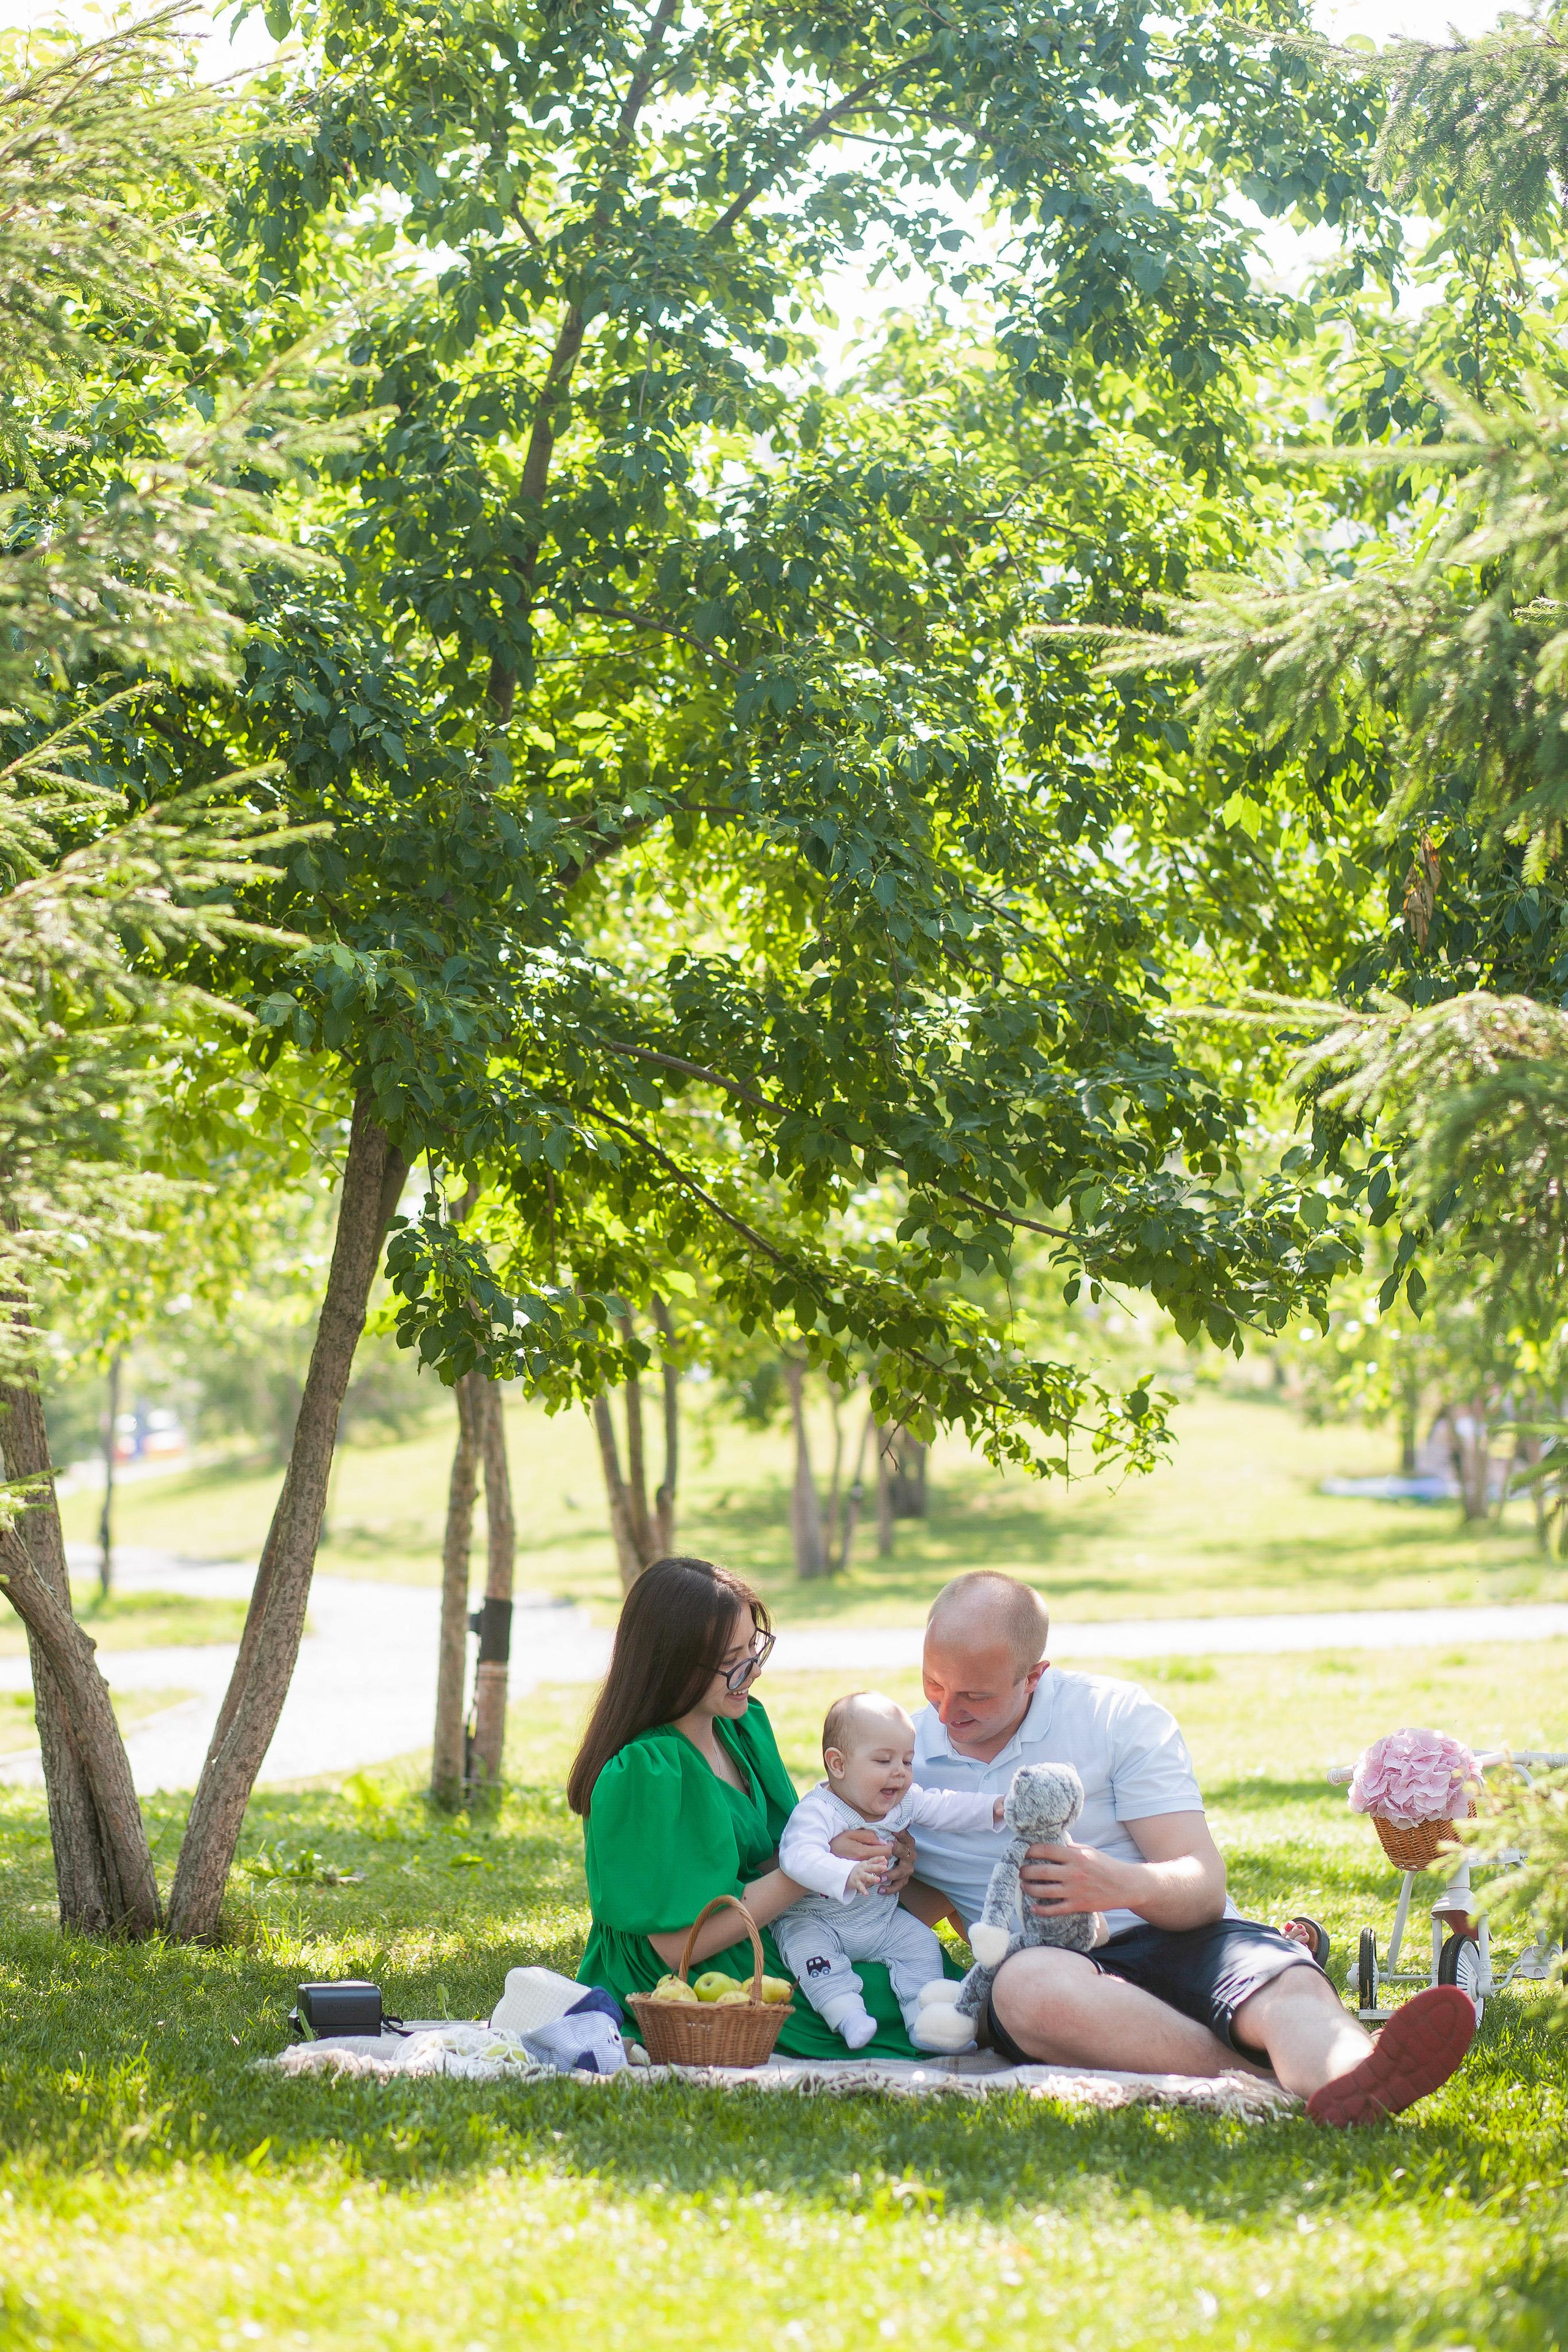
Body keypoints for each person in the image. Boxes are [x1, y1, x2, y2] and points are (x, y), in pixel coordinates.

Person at [900, 1572, 1476, 2127]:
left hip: (1184, 1936)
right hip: (1055, 1967)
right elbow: (884, 1915)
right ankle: (1283, 2077)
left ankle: (1355, 2071)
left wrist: (1117, 1883)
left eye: (975, 1694)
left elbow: (1202, 1888)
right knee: (1023, 1987)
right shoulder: (899, 1758)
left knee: (1280, 1984)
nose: (948, 1713)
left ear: (1034, 1675)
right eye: (933, 1685)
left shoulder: (1114, 1715)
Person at [569, 1555, 927, 2058]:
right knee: (881, 2004)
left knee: (926, 1976)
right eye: (732, 1660)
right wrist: (809, 1872)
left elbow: (772, 1854)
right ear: (671, 1663)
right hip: (682, 1963)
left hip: (755, 1925)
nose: (753, 1670)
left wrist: (853, 1851)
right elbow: (675, 1945)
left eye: (753, 1648)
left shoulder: (740, 1726)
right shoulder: (645, 1771)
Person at [774, 1691, 1003, 2050]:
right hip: (819, 1919)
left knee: (922, 1945)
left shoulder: (903, 1802)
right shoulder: (819, 1811)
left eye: (908, 1761)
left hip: (880, 1921)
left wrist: (995, 1808)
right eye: (883, 1760)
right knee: (812, 1956)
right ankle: (847, 2015)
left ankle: (924, 2022)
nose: (900, 1772)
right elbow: (796, 1857)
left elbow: (946, 1807)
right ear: (838, 1765)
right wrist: (844, 1874)